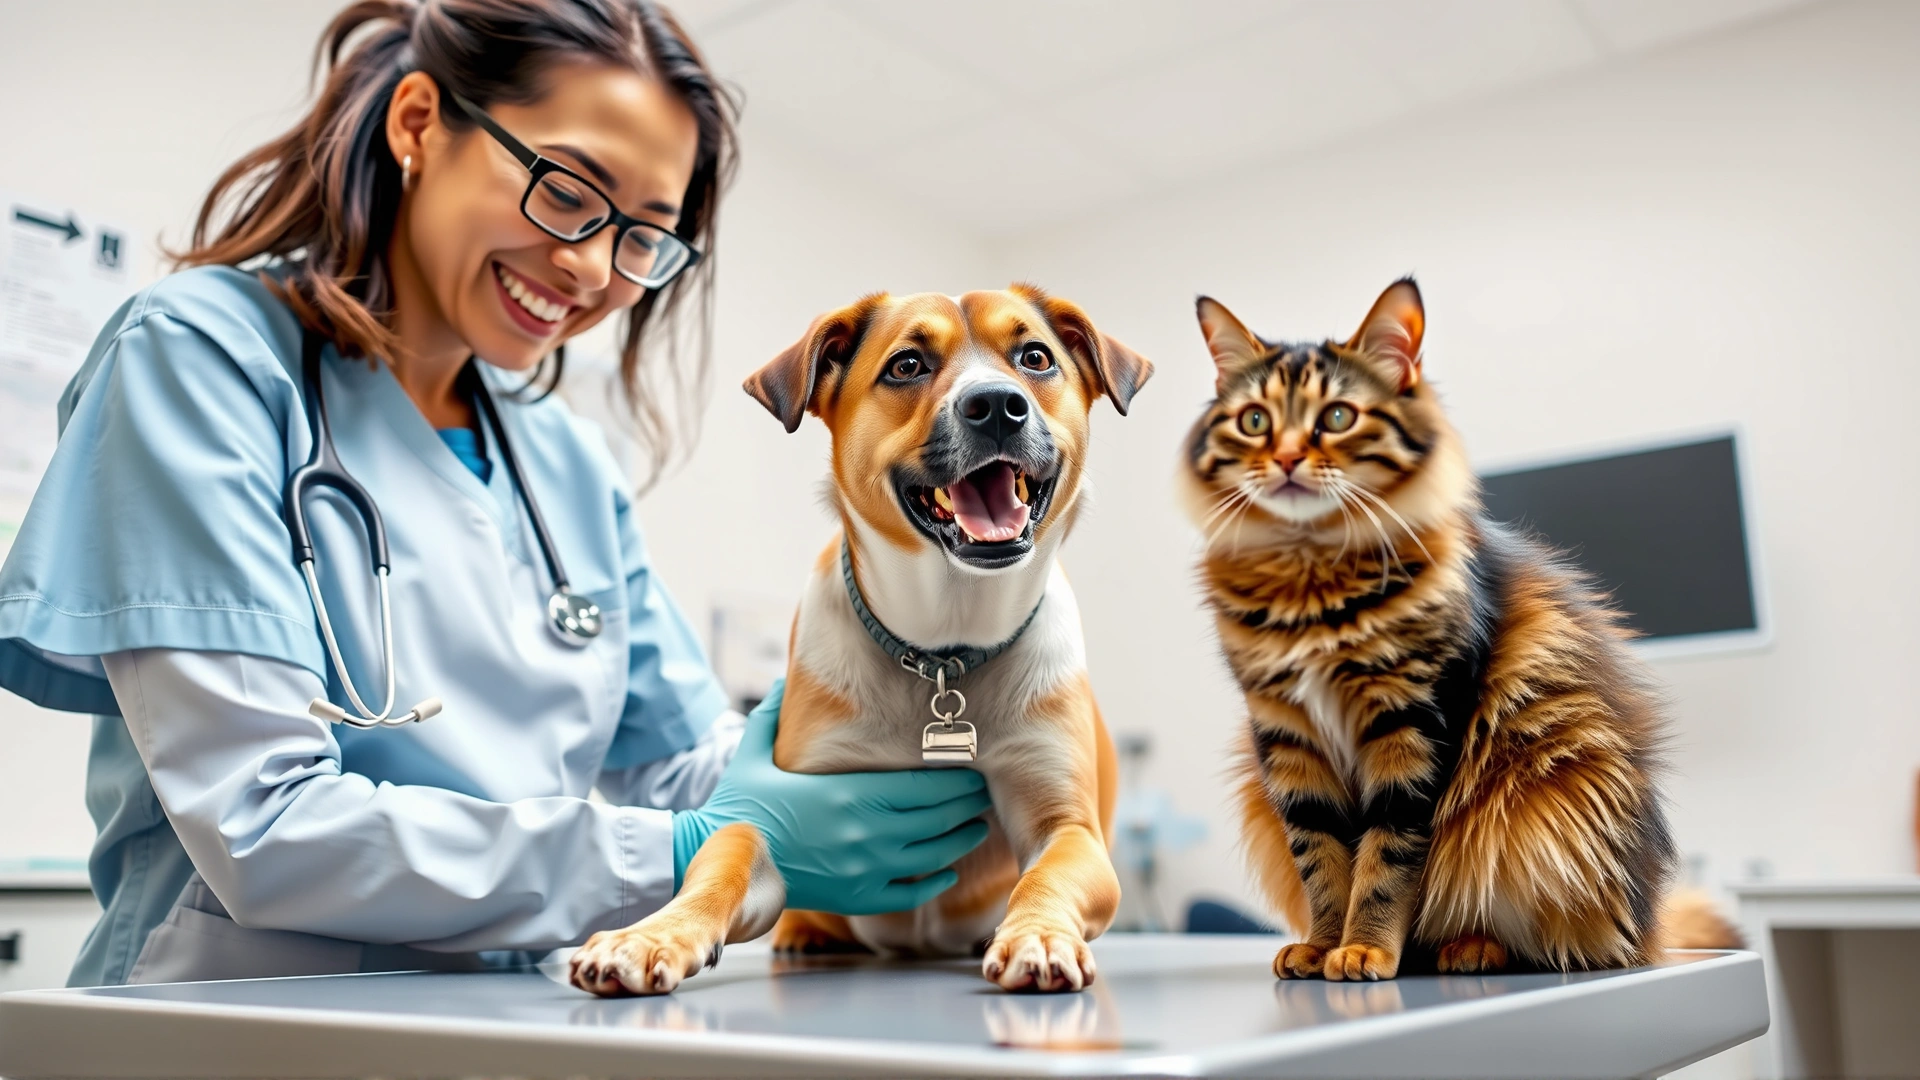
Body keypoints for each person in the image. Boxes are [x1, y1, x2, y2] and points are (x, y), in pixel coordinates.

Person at [0, 0, 988, 987]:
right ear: (419, 123)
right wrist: (686, 851)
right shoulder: (203, 357)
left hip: (510, 1018)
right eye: (568, 192)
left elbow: (694, 765)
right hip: (233, 1018)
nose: (592, 268)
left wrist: (910, 722)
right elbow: (266, 826)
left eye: (645, 237)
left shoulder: (561, 458)